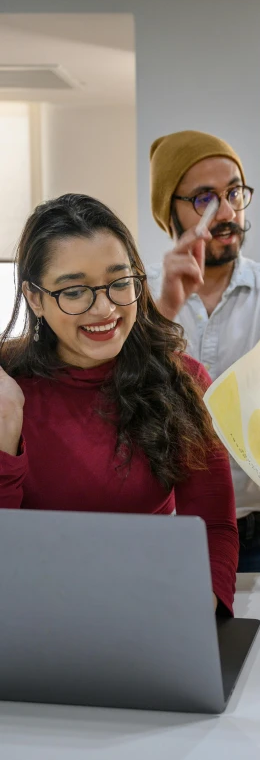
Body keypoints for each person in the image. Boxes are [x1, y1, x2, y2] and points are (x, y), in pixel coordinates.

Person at [0, 194, 238, 614]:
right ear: (35, 298)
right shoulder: (7, 388)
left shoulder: (182, 380)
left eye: (119, 281)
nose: (105, 308)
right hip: (29, 613)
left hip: (148, 605)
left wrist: (199, 614)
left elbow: (213, 526)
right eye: (74, 290)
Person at [148, 130, 260, 573]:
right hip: (166, 527)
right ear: (170, 209)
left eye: (235, 192)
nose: (227, 212)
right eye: (204, 198)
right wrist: (164, 308)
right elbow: (118, 393)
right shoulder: (138, 295)